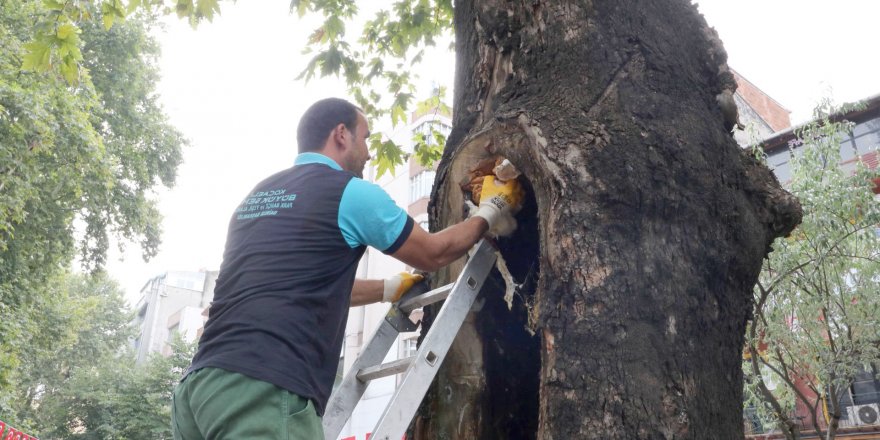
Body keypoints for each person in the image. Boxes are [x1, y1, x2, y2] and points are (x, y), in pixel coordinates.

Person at [170, 98, 523, 439]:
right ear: (342, 134)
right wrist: (490, 210)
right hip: (262, 390)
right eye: (365, 138)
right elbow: (433, 252)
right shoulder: (349, 192)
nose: (369, 152)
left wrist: (386, 288)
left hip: (197, 390)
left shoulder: (256, 197)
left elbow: (302, 283)